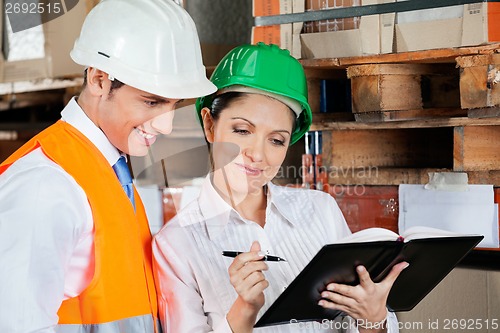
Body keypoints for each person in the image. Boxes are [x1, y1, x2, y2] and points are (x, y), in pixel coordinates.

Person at [152, 42, 408, 333]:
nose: (258, 155)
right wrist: (243, 311)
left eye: (276, 140)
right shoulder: (176, 245)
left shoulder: (320, 210)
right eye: (242, 130)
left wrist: (373, 320)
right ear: (210, 125)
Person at [0, 0, 216, 332]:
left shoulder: (111, 172)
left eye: (174, 104)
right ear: (100, 80)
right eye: (151, 102)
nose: (166, 126)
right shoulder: (46, 185)